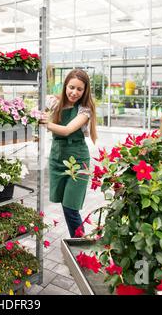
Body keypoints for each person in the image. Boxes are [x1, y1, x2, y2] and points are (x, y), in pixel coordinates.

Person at [39, 69, 97, 238]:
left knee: (71, 207)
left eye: (80, 89)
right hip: (58, 157)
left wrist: (45, 123)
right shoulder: (55, 103)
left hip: (77, 160)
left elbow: (67, 130)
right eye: (71, 87)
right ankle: (77, 241)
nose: (74, 92)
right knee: (65, 205)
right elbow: (37, 101)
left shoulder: (85, 110)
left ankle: (79, 243)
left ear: (85, 90)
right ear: (65, 86)